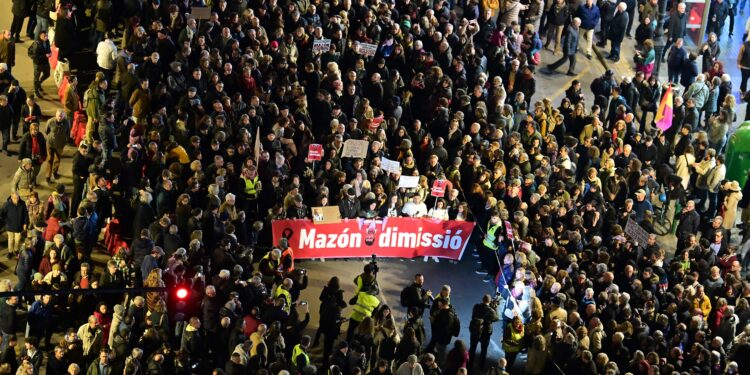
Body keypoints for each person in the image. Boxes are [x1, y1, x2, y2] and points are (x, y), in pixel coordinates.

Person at [468, 294, 499, 368]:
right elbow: (496, 318)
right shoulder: (491, 311)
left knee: (472, 348)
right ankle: (481, 365)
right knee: (484, 350)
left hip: (475, 330)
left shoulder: (476, 306)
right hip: (485, 333)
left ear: (482, 300)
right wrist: (495, 308)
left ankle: (469, 363)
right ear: (490, 301)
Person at [28, 31, 51, 97]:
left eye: (46, 36)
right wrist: (45, 56)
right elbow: (35, 56)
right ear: (40, 36)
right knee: (36, 78)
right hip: (38, 64)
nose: (46, 37)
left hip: (45, 62)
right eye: (44, 36)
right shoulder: (36, 44)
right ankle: (36, 91)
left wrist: (50, 52)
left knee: (47, 74)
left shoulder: (47, 41)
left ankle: (39, 84)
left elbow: (48, 49)